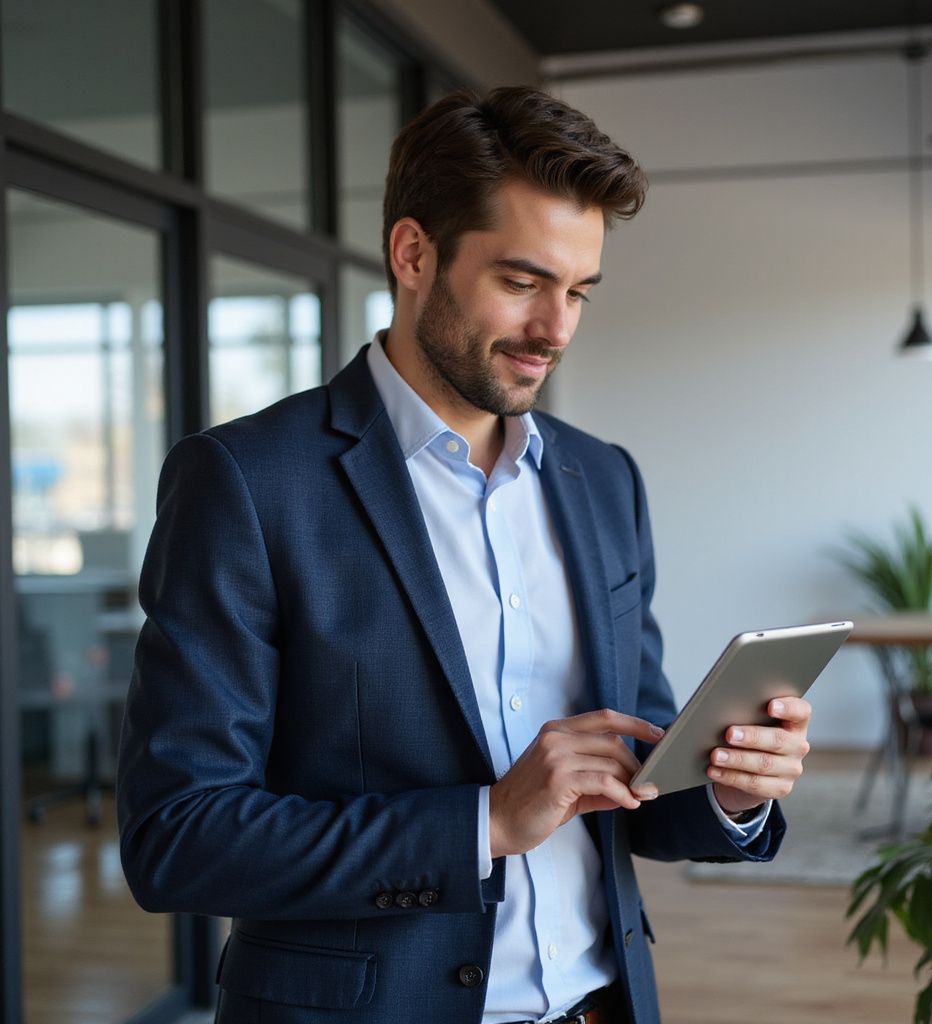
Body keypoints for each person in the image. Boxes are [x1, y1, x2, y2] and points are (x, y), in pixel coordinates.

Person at [117, 86, 812, 1024]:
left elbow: (635, 766)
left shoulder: (604, 481)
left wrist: (727, 789)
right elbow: (178, 837)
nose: (556, 330)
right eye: (523, 283)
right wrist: (482, 822)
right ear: (413, 254)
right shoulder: (246, 481)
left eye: (578, 293)